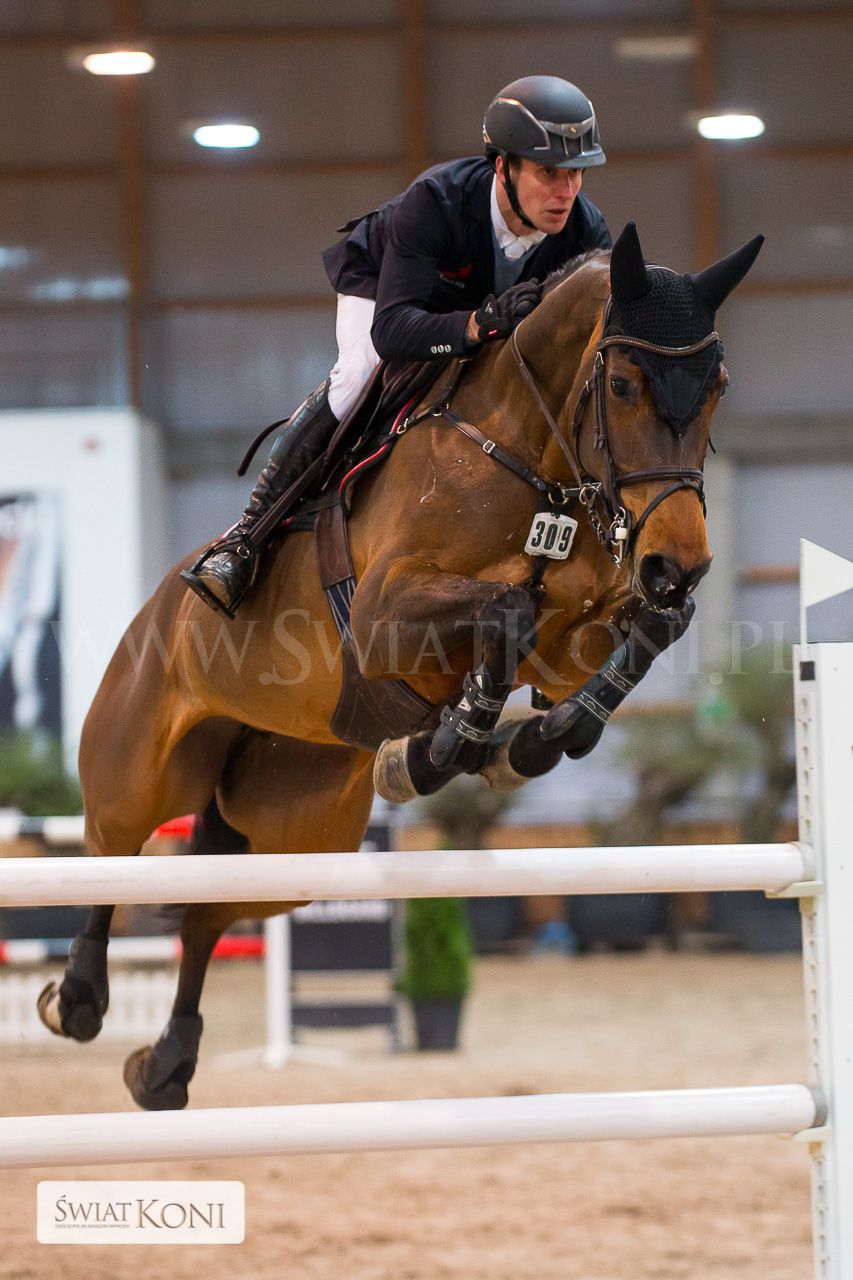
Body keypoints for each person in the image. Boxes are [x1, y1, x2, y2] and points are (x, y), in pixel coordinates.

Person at [182, 74, 612, 618]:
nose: (566, 191)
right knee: (358, 372)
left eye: (576, 173)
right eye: (549, 172)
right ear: (503, 167)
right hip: (388, 292)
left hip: (480, 311)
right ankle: (245, 539)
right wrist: (476, 325)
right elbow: (392, 331)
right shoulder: (436, 201)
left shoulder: (586, 233)